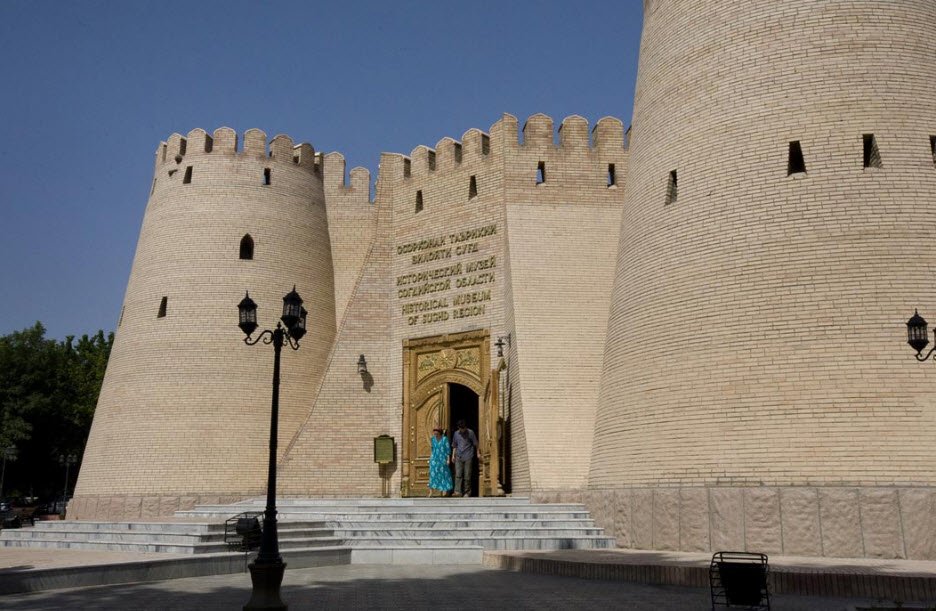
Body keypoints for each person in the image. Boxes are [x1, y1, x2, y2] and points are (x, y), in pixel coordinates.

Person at [450, 419, 479, 497]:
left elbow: (476, 444)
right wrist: (453, 456)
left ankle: (467, 492)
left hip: (468, 456)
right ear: (458, 428)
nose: (462, 430)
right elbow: (454, 445)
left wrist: (478, 453)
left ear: (466, 427)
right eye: (461, 428)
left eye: (463, 428)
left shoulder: (470, 432)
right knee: (458, 474)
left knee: (467, 475)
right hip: (458, 456)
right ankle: (457, 492)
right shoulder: (456, 433)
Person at [427, 426, 453, 497]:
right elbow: (432, 449)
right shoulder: (433, 439)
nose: (435, 433)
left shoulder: (444, 439)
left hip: (442, 460)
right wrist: (430, 458)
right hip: (434, 460)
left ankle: (444, 492)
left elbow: (448, 450)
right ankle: (431, 492)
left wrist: (448, 459)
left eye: (436, 431)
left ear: (439, 432)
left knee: (444, 475)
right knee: (432, 475)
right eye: (434, 431)